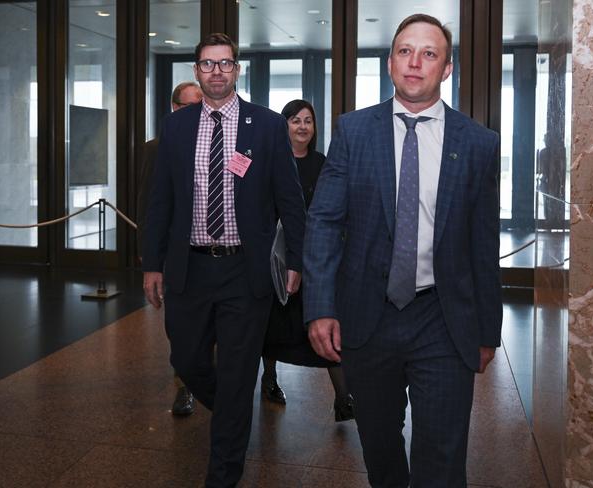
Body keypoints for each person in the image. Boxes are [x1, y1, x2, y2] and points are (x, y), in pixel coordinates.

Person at [303, 14, 502, 488]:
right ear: (390, 61)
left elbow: (483, 243)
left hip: (443, 317)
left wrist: (487, 329)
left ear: (446, 69)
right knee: (379, 444)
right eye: (405, 51)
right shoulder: (353, 131)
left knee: (442, 454)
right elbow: (325, 221)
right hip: (368, 316)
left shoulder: (478, 144)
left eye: (429, 53)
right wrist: (320, 306)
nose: (415, 63)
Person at [142, 33, 305, 487]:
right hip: (189, 268)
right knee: (189, 360)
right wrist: (152, 264)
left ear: (237, 69)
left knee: (237, 372)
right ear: (196, 71)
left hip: (243, 271)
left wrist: (296, 259)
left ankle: (224, 474)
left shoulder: (267, 125)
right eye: (208, 64)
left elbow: (290, 200)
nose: (217, 72)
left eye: (225, 63)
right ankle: (234, 409)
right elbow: (161, 202)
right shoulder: (176, 127)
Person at [260, 99, 354, 422]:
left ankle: (344, 399)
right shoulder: (271, 161)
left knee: (324, 322)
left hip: (315, 258)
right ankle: (269, 379)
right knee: (272, 326)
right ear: (283, 125)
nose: (302, 126)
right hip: (276, 257)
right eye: (295, 120)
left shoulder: (323, 163)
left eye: (308, 121)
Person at [137, 81, 202, 417]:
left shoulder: (217, 143)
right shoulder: (156, 148)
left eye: (199, 105)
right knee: (181, 329)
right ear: (174, 108)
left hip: (212, 257)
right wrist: (150, 258)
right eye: (188, 106)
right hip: (176, 258)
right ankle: (184, 388)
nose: (194, 111)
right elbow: (149, 205)